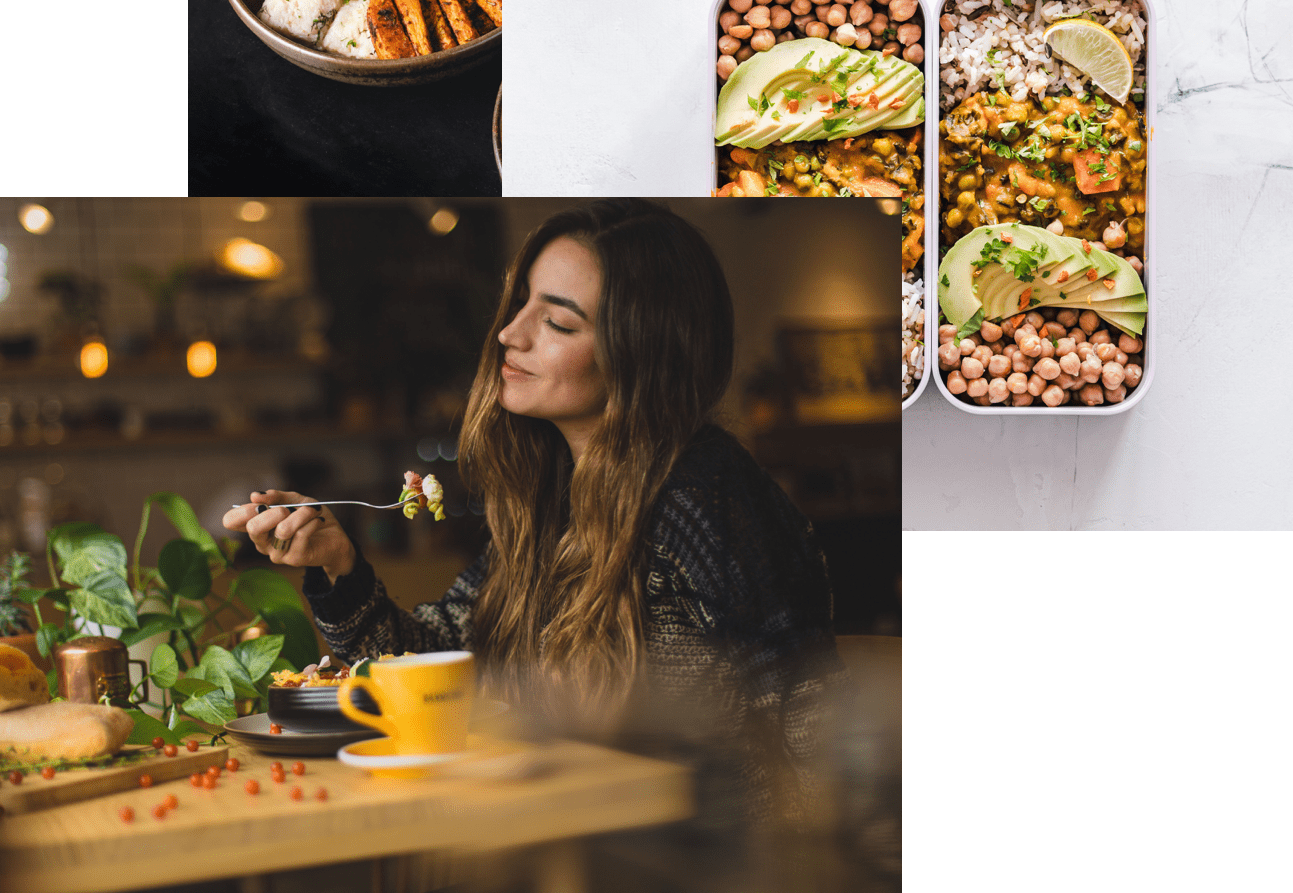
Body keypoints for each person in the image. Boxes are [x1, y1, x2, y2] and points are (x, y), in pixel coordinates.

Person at [222, 200, 839, 806]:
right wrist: (338, 565)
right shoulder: (552, 498)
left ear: (642, 353)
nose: (509, 334)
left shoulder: (704, 499)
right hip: (565, 835)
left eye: (559, 323)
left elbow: (807, 726)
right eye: (522, 305)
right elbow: (437, 666)